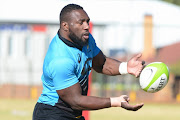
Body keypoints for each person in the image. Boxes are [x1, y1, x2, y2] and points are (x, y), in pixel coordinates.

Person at [33, 4, 145, 120]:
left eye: (87, 21)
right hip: (51, 114)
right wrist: (115, 101)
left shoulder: (85, 39)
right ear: (65, 26)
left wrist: (126, 67)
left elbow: (102, 63)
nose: (86, 26)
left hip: (72, 113)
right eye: (81, 22)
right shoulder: (60, 59)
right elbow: (76, 100)